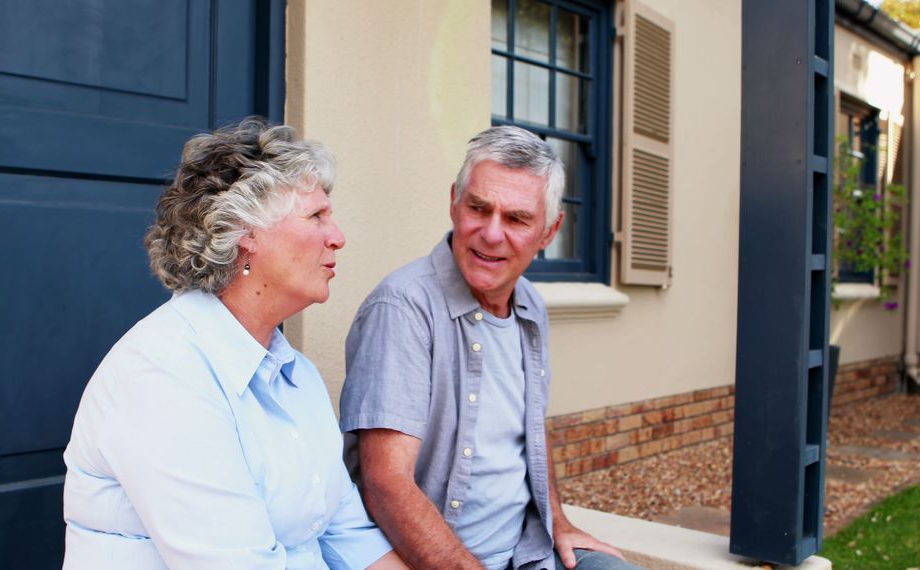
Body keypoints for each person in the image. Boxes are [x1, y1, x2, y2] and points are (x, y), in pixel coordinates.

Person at [63, 118, 405, 569]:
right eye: (317, 215)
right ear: (246, 233)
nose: (337, 236)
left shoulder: (295, 374)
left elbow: (349, 536)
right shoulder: (163, 373)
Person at [339, 126, 641, 570]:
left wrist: (558, 520)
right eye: (479, 208)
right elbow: (386, 483)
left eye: (517, 219)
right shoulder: (402, 307)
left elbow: (529, 435)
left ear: (549, 231)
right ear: (454, 203)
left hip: (525, 554)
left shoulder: (531, 306)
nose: (491, 234)